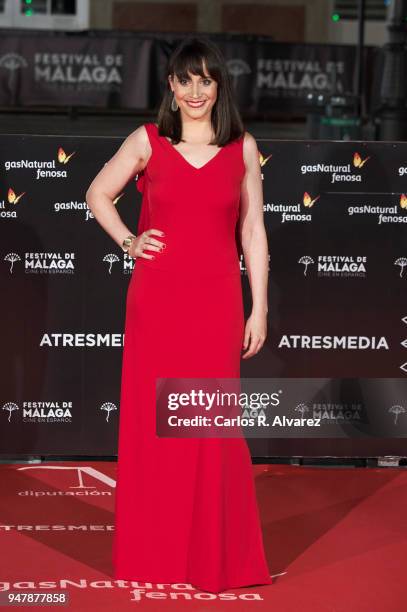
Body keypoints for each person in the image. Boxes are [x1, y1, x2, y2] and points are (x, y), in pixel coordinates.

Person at [85, 35, 272, 594]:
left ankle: (212, 556)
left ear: (220, 88)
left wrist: (258, 307)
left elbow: (254, 231)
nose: (196, 91)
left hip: (216, 303)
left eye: (206, 80)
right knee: (154, 429)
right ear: (171, 85)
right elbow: (97, 192)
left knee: (210, 428)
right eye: (186, 79)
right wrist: (128, 240)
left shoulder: (241, 149)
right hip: (157, 301)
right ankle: (153, 555)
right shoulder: (148, 141)